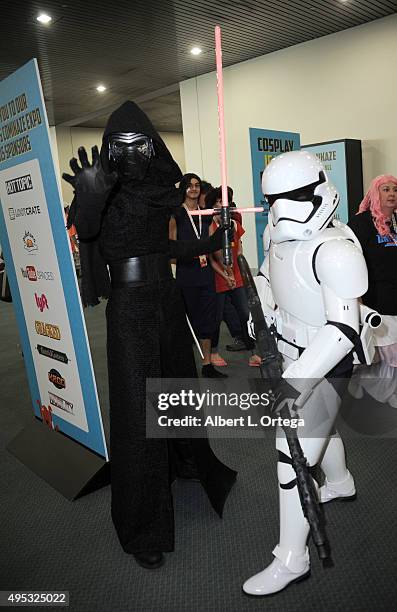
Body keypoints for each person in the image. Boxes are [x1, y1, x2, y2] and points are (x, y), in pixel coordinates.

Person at [62, 101, 237, 570]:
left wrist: (209, 239)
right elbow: (91, 227)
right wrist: (93, 195)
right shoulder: (100, 186)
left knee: (177, 388)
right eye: (121, 147)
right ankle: (142, 527)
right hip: (130, 304)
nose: (132, 154)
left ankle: (185, 462)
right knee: (139, 406)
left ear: (152, 145)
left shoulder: (162, 189)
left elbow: (170, 246)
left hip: (166, 295)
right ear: (109, 150)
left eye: (140, 145)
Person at [243, 150, 365, 596]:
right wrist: (261, 309)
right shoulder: (280, 235)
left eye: (292, 197)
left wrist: (298, 382)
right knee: (321, 429)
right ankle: (341, 481)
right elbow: (266, 273)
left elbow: (343, 329)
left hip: (325, 361)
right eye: (273, 199)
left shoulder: (336, 250)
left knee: (290, 450)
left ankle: (292, 559)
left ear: (319, 190)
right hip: (288, 351)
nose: (281, 210)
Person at [169, 173, 227, 378]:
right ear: (183, 188)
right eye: (189, 186)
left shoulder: (207, 213)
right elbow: (171, 247)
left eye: (196, 186)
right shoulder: (176, 214)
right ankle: (183, 365)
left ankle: (207, 364)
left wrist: (224, 262)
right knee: (188, 321)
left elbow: (212, 244)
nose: (193, 189)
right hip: (186, 274)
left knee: (208, 319)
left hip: (205, 274)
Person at [207, 187, 260, 367]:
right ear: (213, 205)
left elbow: (239, 248)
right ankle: (214, 353)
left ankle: (253, 352)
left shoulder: (234, 224)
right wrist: (225, 272)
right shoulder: (209, 226)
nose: (223, 205)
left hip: (236, 275)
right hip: (218, 277)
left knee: (245, 314)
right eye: (219, 202)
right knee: (215, 317)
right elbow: (212, 255)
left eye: (226, 202)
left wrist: (239, 270)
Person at [348, 175, 397, 365]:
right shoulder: (361, 223)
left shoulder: (395, 222)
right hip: (376, 304)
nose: (392, 194)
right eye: (386, 189)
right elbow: (351, 264)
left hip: (394, 301)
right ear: (375, 194)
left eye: (395, 189)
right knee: (380, 362)